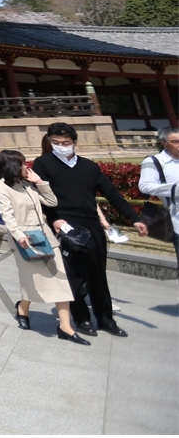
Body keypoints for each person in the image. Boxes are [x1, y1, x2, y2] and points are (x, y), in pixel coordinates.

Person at [31, 121, 146, 336]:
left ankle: (106, 320)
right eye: (55, 142)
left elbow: (112, 194)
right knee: (74, 276)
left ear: (74, 142)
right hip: (65, 226)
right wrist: (54, 219)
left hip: (91, 224)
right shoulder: (43, 163)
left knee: (98, 275)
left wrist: (134, 218)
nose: (60, 146)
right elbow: (41, 197)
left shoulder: (89, 167)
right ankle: (81, 318)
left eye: (65, 142)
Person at [0, 148, 85, 342]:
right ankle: (23, 307)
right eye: (22, 163)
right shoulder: (2, 187)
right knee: (32, 281)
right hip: (24, 239)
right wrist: (18, 235)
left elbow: (51, 202)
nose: (26, 166)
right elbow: (7, 215)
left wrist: (40, 183)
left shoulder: (27, 184)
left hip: (45, 236)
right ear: (12, 166)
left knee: (60, 281)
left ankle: (65, 327)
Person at [137, 126, 179, 272]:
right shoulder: (154, 161)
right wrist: (174, 189)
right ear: (163, 142)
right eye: (175, 141)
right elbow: (145, 186)